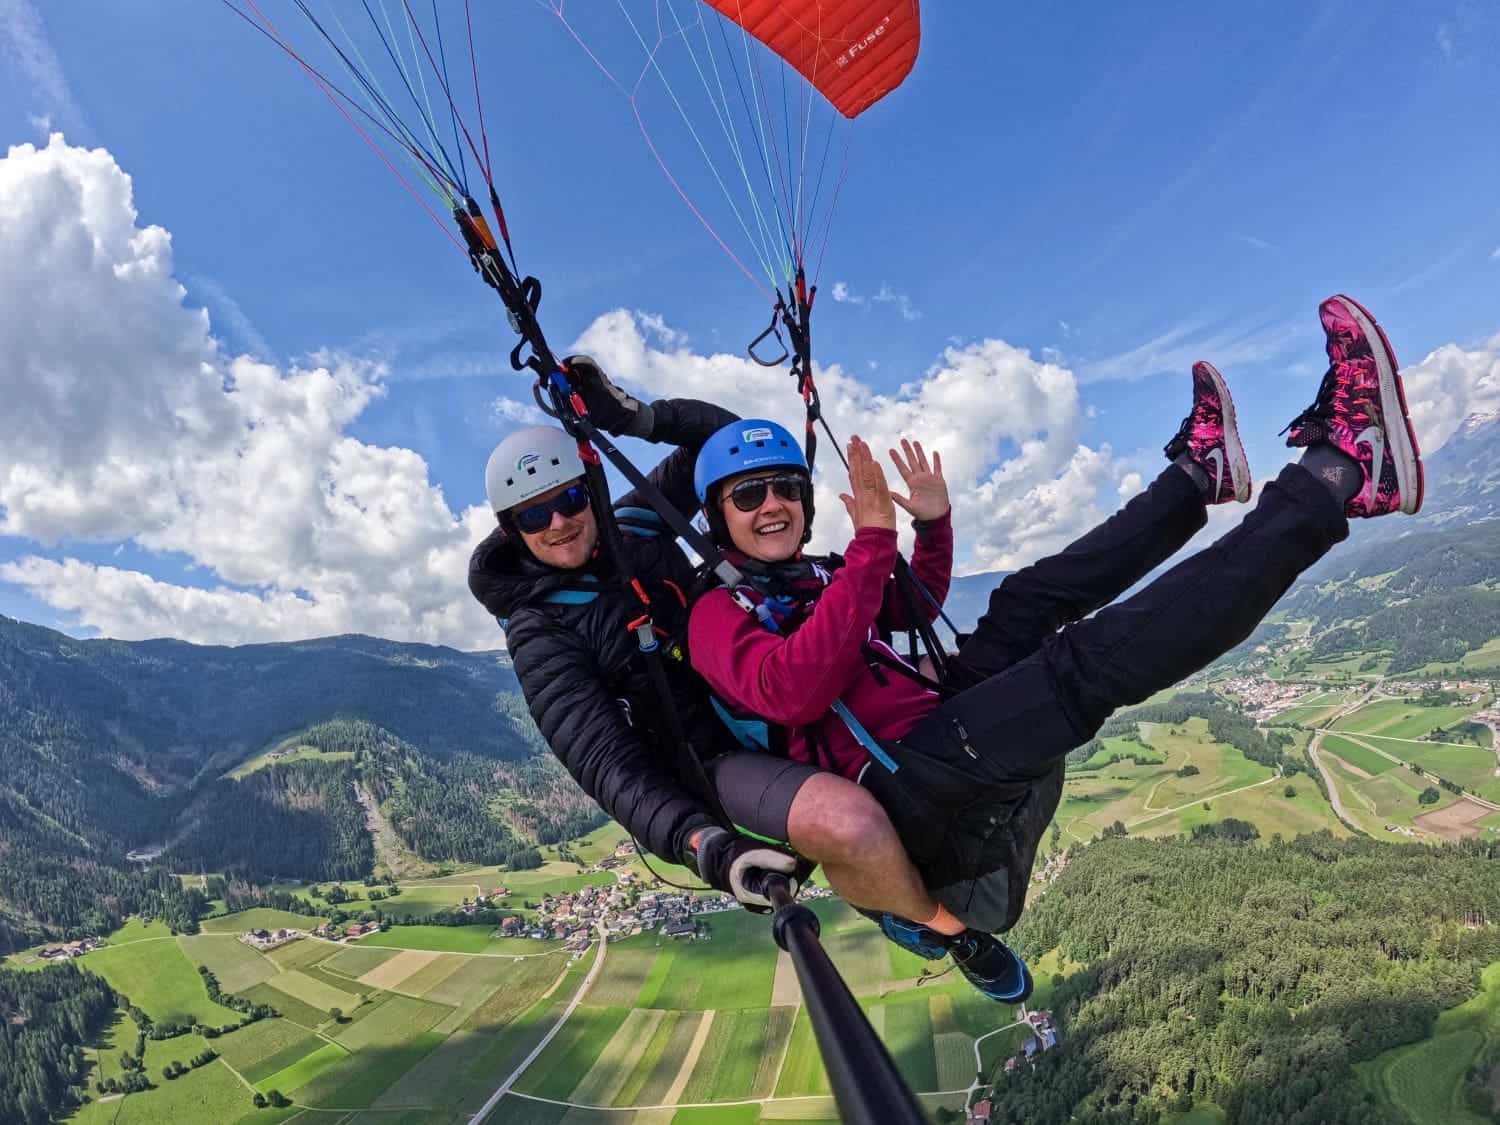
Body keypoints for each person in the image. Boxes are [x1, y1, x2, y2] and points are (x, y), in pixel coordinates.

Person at [686, 295, 1424, 1002]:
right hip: (902, 784)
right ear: (719, 517)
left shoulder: (816, 575)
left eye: (785, 487)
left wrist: (932, 528)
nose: (773, 504)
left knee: (1027, 599)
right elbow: (792, 691)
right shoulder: (715, 614)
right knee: (1080, 667)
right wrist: (873, 543)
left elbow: (913, 609)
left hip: (932, 724)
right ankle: (1338, 476)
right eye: (748, 495)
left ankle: (1199, 477)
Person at [467, 359, 813, 915]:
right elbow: (604, 759)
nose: (558, 523)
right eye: (534, 517)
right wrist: (701, 843)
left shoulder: (636, 525)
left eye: (569, 501)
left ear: (591, 492)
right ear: (512, 532)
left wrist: (633, 417)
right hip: (711, 765)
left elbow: (730, 446)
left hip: (764, 692)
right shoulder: (540, 630)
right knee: (843, 815)